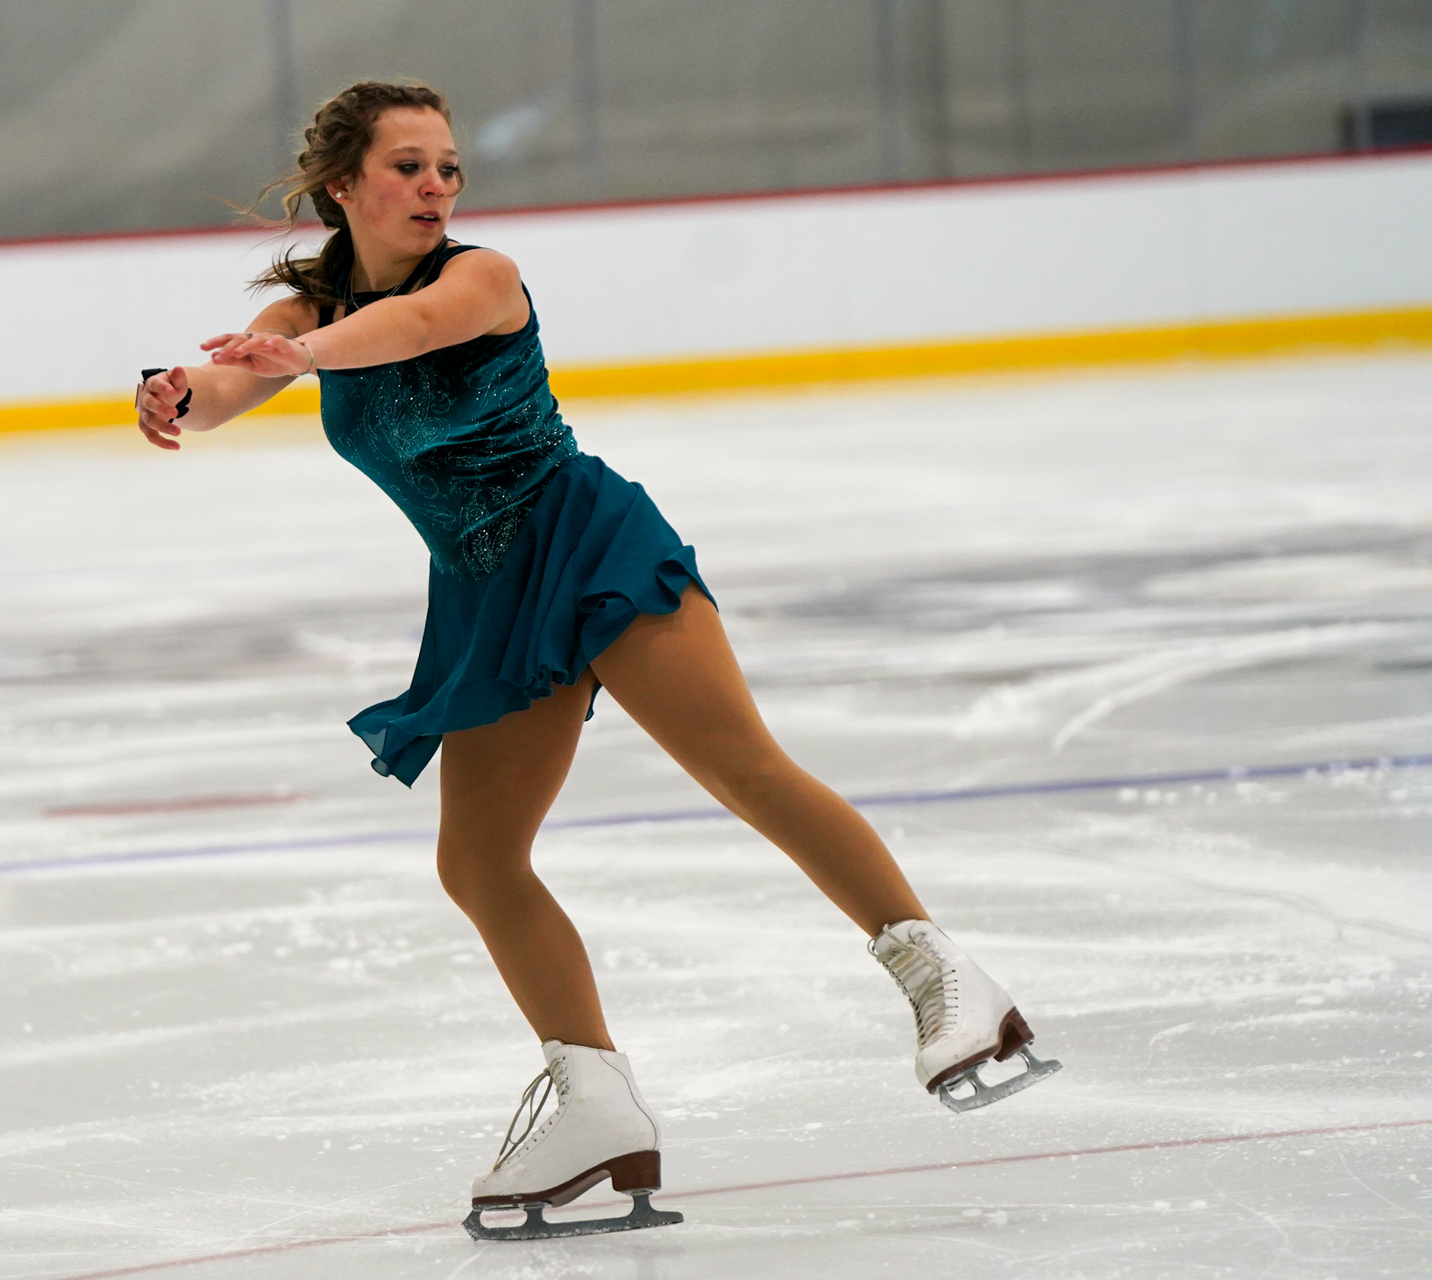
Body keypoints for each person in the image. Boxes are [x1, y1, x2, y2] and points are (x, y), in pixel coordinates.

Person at [136, 81, 1059, 1241]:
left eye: (448, 169)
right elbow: (230, 385)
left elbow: (403, 335)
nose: (435, 188)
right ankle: (593, 1096)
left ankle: (949, 984)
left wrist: (302, 346)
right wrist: (175, 391)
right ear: (343, 185)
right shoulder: (307, 302)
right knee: (477, 861)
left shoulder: (477, 278)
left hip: (582, 541)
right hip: (483, 587)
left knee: (739, 768)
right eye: (408, 166)